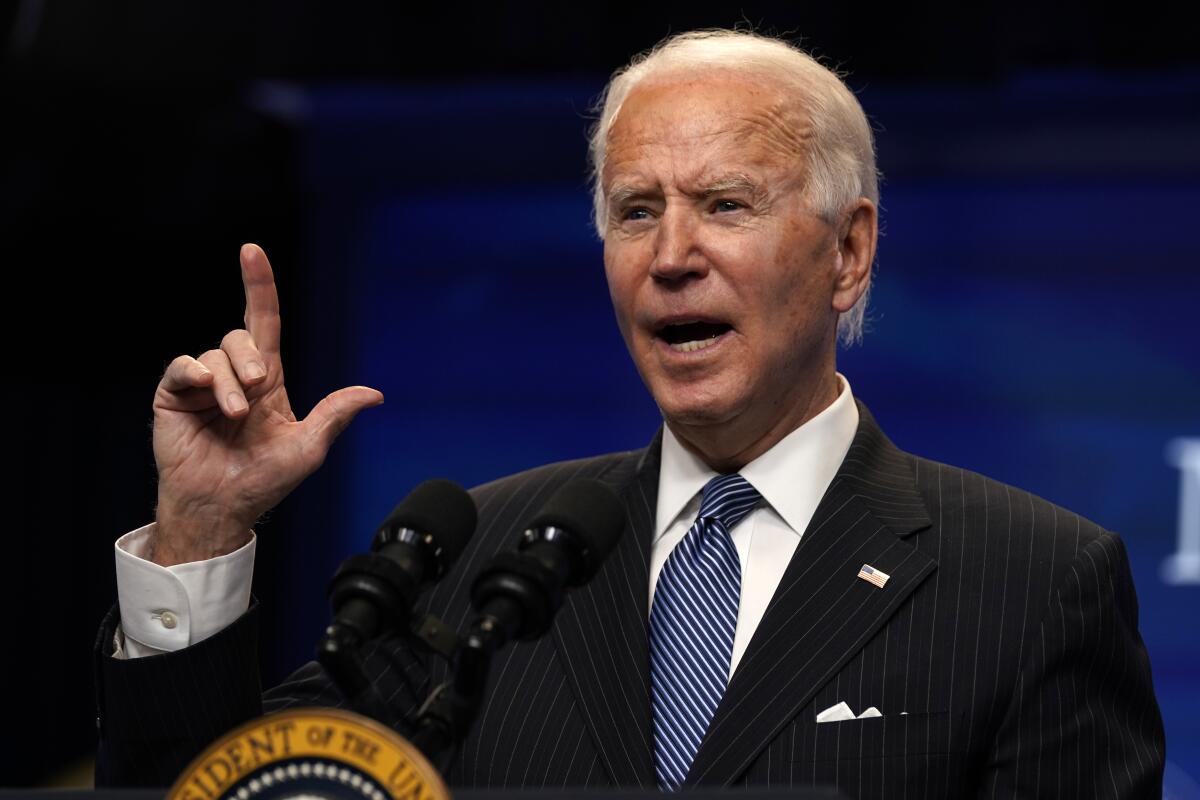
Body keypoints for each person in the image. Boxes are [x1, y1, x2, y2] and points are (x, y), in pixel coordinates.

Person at [95, 30, 1165, 798]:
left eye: (727, 204)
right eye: (636, 210)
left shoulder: (1032, 581)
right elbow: (218, 788)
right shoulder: (476, 556)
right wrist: (201, 527)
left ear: (849, 252)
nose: (672, 256)